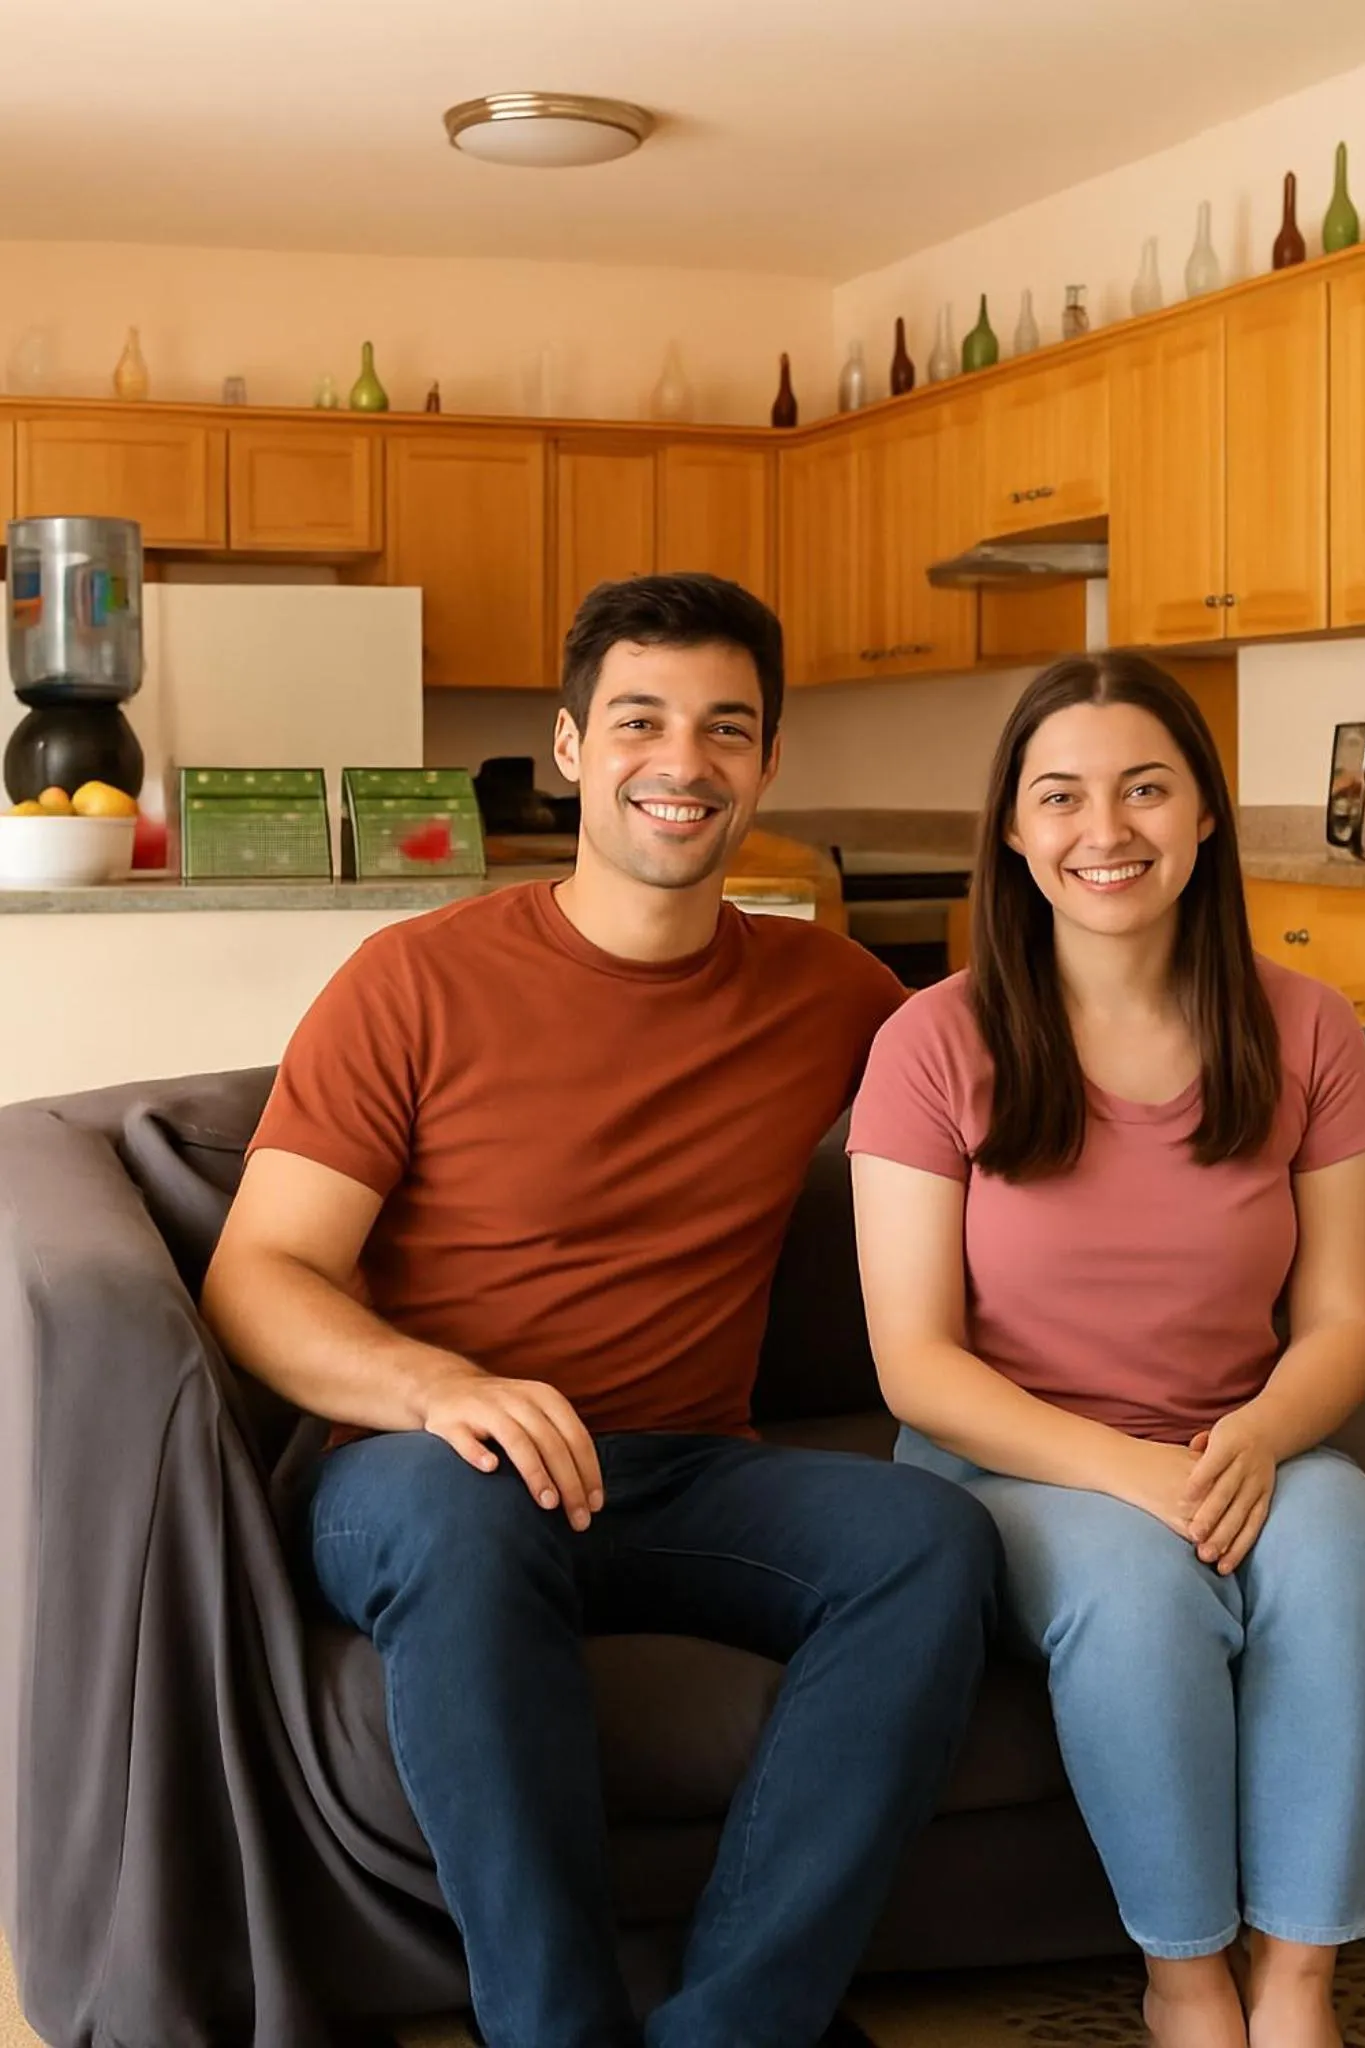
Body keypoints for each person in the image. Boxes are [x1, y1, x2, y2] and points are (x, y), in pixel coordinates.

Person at [201, 574, 1002, 2048]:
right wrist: (439, 1389)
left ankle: (731, 2028)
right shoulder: (412, 984)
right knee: (463, 1506)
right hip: (418, 1474)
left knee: (929, 1540)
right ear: (570, 747)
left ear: (768, 764)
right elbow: (260, 1276)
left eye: (725, 729)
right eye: (639, 720)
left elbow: (1024, 1104)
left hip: (685, 1469)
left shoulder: (834, 995)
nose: (681, 763)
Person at [847, 653, 1365, 2048]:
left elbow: (1343, 1320)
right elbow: (916, 1364)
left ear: (1205, 817)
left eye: (1146, 788)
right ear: (1017, 835)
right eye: (1064, 797)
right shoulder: (931, 1042)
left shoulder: (1309, 1027)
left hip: (1243, 1429)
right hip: (1009, 1461)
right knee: (1140, 1598)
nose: (1109, 831)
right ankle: (1184, 1983)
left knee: (1339, 1567)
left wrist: (1262, 1440)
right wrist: (1137, 1479)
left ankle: (1296, 1985)